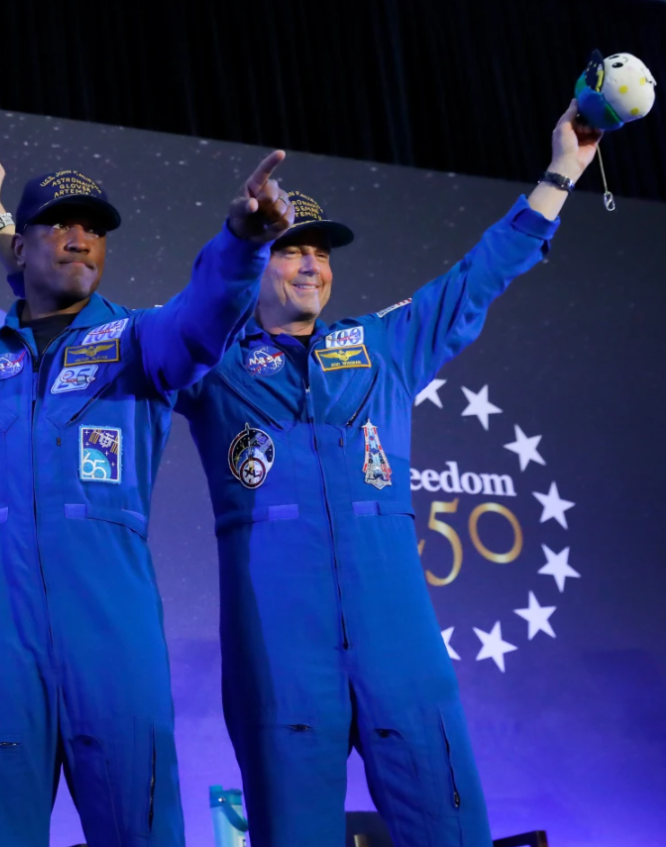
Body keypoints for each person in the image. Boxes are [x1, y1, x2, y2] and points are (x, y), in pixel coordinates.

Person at [171, 102, 600, 846]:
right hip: (278, 645)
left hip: (396, 635)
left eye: (322, 251)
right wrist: (236, 241)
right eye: (289, 248)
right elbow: (188, 307)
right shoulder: (209, 364)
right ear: (257, 264)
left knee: (451, 829)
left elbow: (478, 277)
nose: (311, 263)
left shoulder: (381, 345)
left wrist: (562, 169)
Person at [0, 152, 290, 847]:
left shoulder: (140, 342)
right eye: (58, 223)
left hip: (112, 630)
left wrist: (243, 243)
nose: (79, 236)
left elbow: (206, 319)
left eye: (93, 227)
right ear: (20, 247)